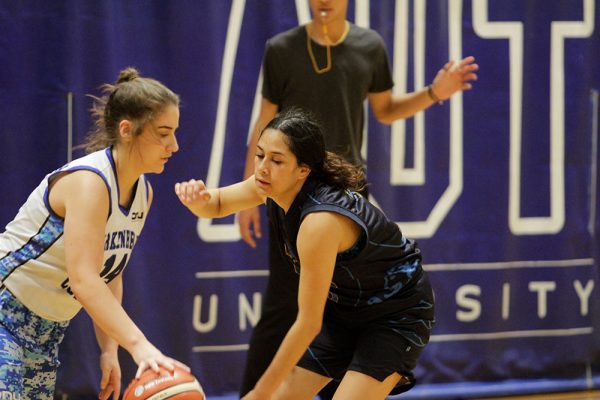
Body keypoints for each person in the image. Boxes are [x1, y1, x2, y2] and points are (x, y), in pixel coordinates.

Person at [237, 0, 477, 397]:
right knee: (284, 307)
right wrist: (251, 192)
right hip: (288, 193)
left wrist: (435, 93)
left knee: (346, 298)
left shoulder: (369, 45)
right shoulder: (282, 48)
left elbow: (385, 109)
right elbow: (264, 122)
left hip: (342, 200)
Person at [176, 107, 435, 400]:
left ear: (303, 169)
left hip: (396, 314)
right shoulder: (272, 184)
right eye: (260, 155)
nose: (262, 167)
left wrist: (260, 392)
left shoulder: (319, 223)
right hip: (347, 310)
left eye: (276, 160)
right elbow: (219, 203)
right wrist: (196, 200)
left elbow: (308, 323)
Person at [0, 67, 188, 400]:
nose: (173, 144)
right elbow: (84, 279)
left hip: (47, 330)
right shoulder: (90, 182)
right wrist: (139, 345)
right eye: (163, 133)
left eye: (174, 132)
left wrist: (109, 350)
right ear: (127, 130)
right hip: (5, 308)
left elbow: (108, 273)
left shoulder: (142, 193)